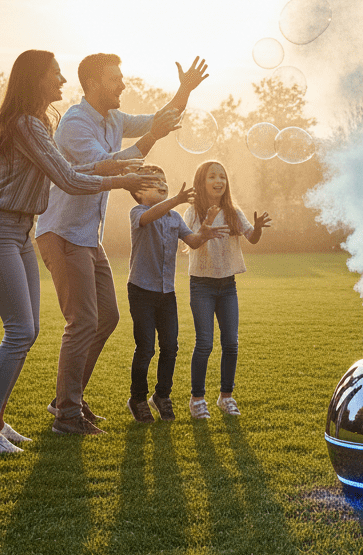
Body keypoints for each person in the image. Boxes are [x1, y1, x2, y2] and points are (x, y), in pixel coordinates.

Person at [0, 51, 154, 452]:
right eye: (54, 75)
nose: (61, 81)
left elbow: (71, 174)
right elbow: (70, 180)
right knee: (20, 331)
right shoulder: (27, 126)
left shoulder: (36, 125)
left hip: (19, 231)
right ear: (35, 80)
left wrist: (116, 173)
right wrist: (122, 180)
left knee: (27, 331)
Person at [35, 53, 208, 435]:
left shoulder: (114, 118)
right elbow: (110, 166)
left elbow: (159, 120)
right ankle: (66, 414)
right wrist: (152, 138)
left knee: (107, 318)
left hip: (86, 237)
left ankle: (69, 398)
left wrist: (184, 90)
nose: (124, 85)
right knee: (81, 321)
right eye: (116, 78)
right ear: (93, 83)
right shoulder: (74, 125)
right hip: (62, 232)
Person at [125, 165, 227, 423]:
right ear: (138, 193)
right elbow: (148, 218)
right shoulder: (137, 212)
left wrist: (204, 232)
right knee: (146, 348)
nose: (162, 183)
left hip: (166, 293)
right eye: (154, 182)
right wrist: (178, 199)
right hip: (141, 290)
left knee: (170, 347)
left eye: (164, 179)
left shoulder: (174, 218)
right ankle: (137, 398)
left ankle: (162, 396)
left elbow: (191, 242)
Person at [184, 160, 271, 418]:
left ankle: (226, 397)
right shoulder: (193, 212)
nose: (219, 181)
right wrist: (205, 227)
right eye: (212, 176)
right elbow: (191, 242)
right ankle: (197, 399)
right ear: (202, 182)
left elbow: (251, 237)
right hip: (202, 285)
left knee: (231, 344)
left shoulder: (233, 211)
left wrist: (256, 230)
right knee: (204, 344)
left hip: (227, 285)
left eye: (222, 176)